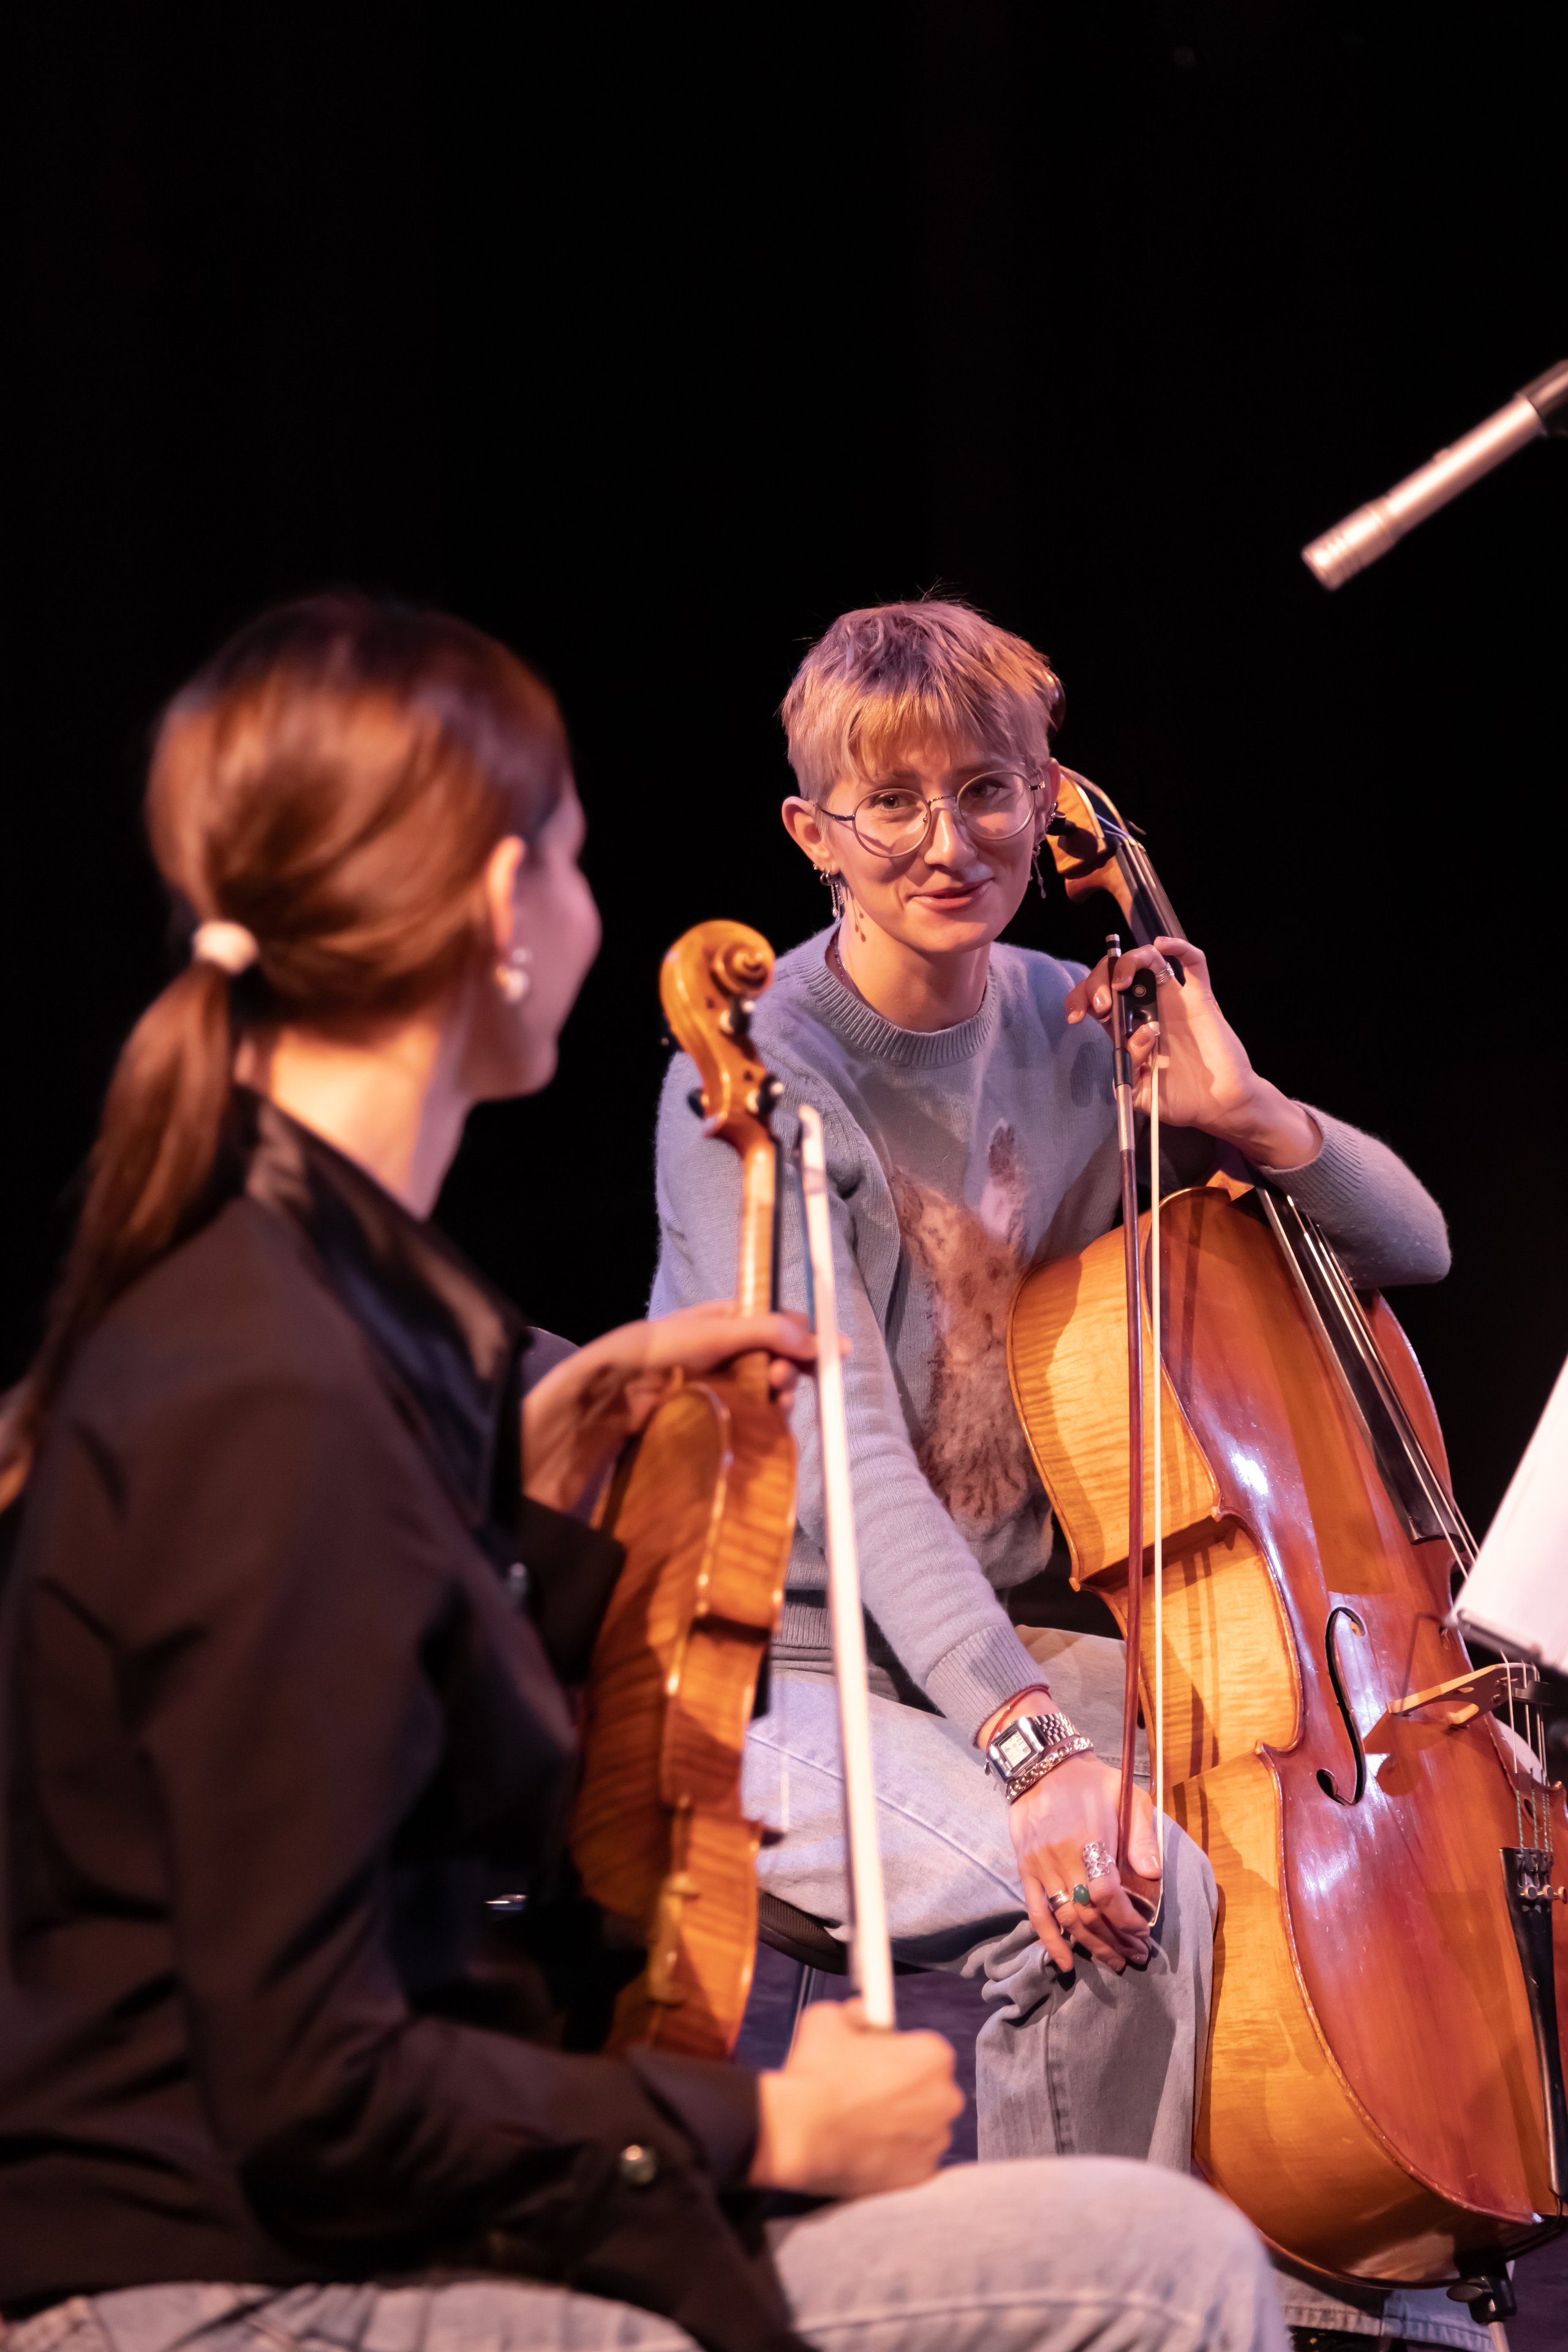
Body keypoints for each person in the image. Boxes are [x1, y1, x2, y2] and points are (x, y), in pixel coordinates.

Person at [0, 594, 1286, 2352]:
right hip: (230, 2276)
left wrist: (555, 1424)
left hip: (366, 2210)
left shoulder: (361, 1313)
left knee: (1163, 2236)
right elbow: (307, 2076)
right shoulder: (270, 1385)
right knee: (1156, 2274)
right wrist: (761, 2127)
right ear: (499, 914)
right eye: (579, 861)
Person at [651, 600, 1482, 2350]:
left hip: (989, 1647)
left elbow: (1417, 1246)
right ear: (814, 835)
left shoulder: (1075, 1023)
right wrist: (1035, 1752)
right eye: (894, 807)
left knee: (1288, 1825)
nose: (949, 842)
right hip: (773, 1671)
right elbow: (852, 1462)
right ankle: (1081, 2309)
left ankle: (1345, 2279)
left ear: (1050, 798)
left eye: (989, 792)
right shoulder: (754, 1077)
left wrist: (1254, 1117)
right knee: (1131, 1882)